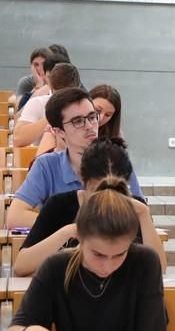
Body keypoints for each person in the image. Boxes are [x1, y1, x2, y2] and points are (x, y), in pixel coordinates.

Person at [4, 177, 167, 331]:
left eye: (120, 254)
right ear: (79, 237)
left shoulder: (145, 262)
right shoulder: (56, 267)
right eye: (98, 254)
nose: (107, 266)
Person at [14, 138, 167, 276]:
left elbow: (159, 269)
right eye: (98, 191)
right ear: (83, 181)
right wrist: (68, 232)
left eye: (117, 190)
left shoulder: (136, 208)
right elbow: (21, 266)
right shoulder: (59, 205)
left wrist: (144, 214)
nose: (107, 199)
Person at [6, 88, 144, 229]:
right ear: (58, 131)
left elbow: (141, 216)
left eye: (92, 117)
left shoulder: (117, 160)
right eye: (77, 121)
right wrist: (80, 227)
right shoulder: (46, 165)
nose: (90, 126)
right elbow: (15, 217)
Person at [14, 62, 82, 147]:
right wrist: (51, 115)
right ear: (51, 88)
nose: (63, 99)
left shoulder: (84, 107)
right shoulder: (38, 103)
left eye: (67, 94)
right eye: (58, 95)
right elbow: (18, 139)